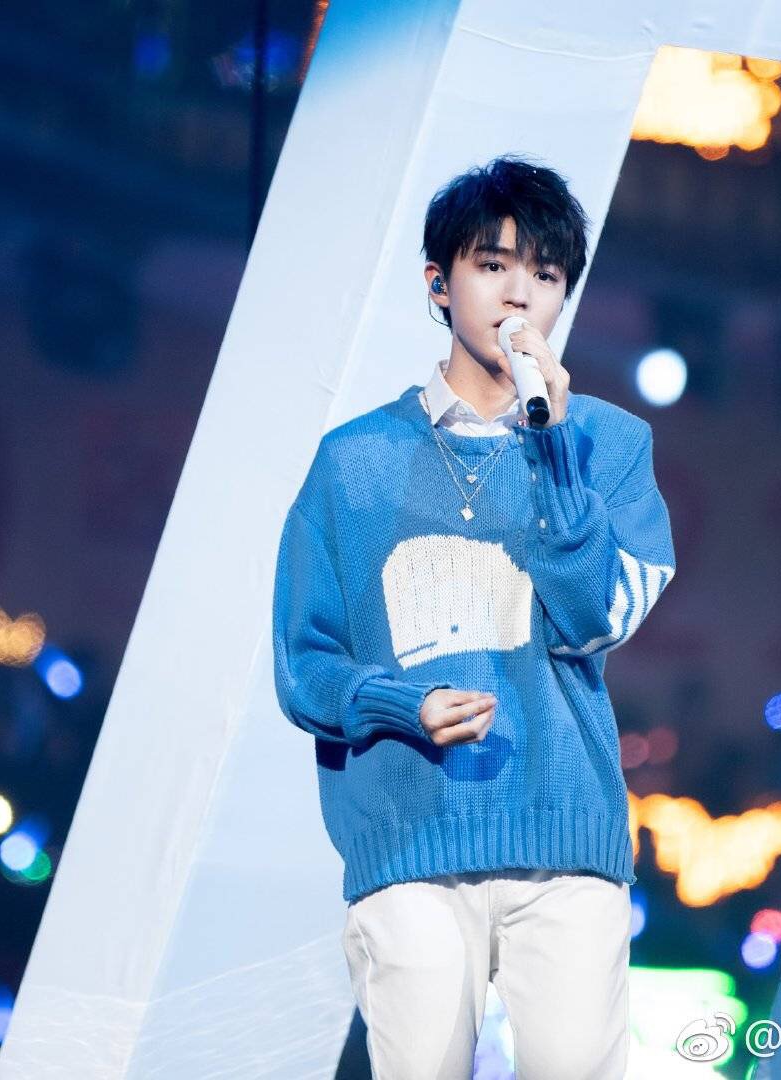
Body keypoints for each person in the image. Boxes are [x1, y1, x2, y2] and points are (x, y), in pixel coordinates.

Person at [271, 154, 677, 1079]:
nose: (518, 294)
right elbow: (305, 663)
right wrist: (400, 705)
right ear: (438, 284)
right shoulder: (353, 462)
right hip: (410, 840)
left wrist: (553, 450)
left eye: (545, 274)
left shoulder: (608, 446)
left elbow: (593, 620)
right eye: (492, 265)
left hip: (565, 840)